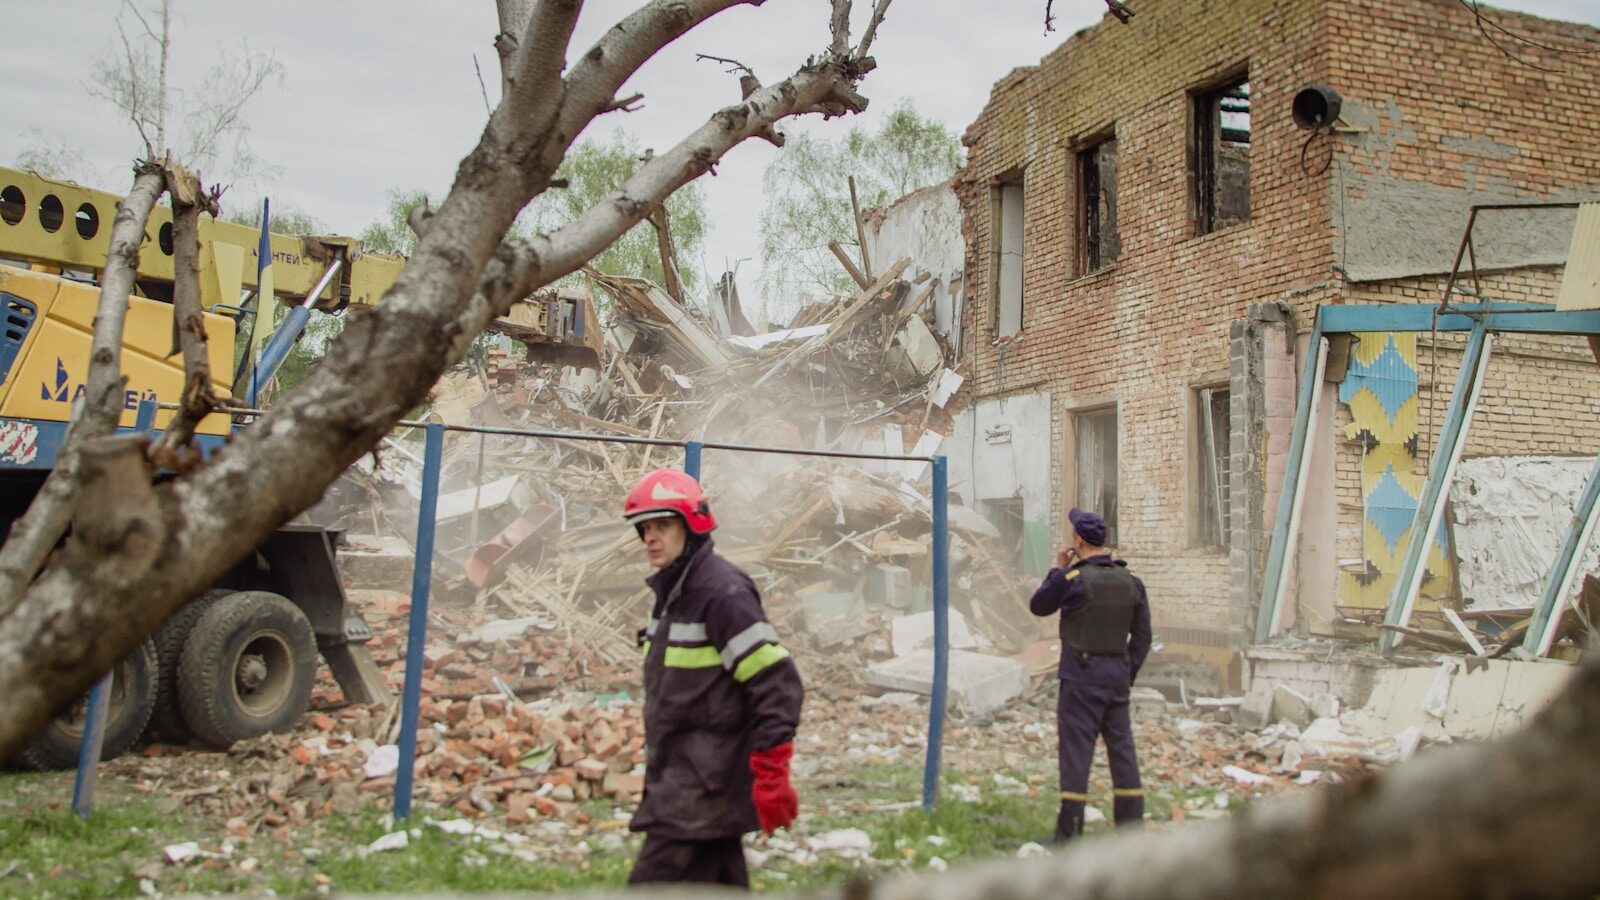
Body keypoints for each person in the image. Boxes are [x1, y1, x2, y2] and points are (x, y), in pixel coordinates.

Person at [621, 468, 804, 888]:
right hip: (686, 780)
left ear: (691, 525)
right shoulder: (672, 596)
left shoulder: (722, 594)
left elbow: (776, 683)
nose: (650, 537)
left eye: (662, 525)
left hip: (700, 791)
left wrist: (773, 772)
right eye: (644, 528)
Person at [1028, 507, 1152, 842]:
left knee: (1077, 751)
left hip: (1081, 676)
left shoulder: (1073, 580)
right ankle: (1130, 829)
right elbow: (1142, 638)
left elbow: (1039, 605)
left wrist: (1058, 568)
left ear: (1078, 541)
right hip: (1116, 675)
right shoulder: (1132, 582)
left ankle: (1069, 833)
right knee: (1122, 750)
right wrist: (1127, 672)